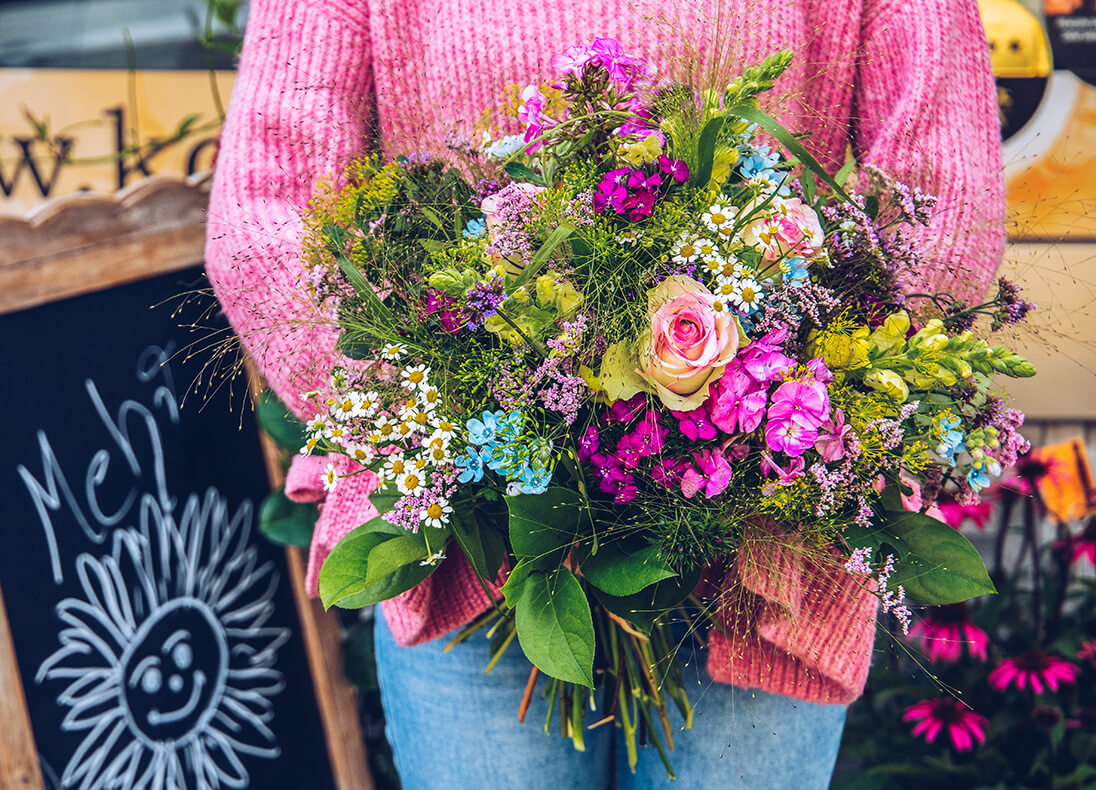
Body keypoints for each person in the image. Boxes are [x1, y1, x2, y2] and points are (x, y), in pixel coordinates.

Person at [205, 1, 1003, 787]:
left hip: (766, 549)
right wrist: (427, 413)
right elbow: (265, 208)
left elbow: (944, 194)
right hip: (473, 546)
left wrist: (785, 414)